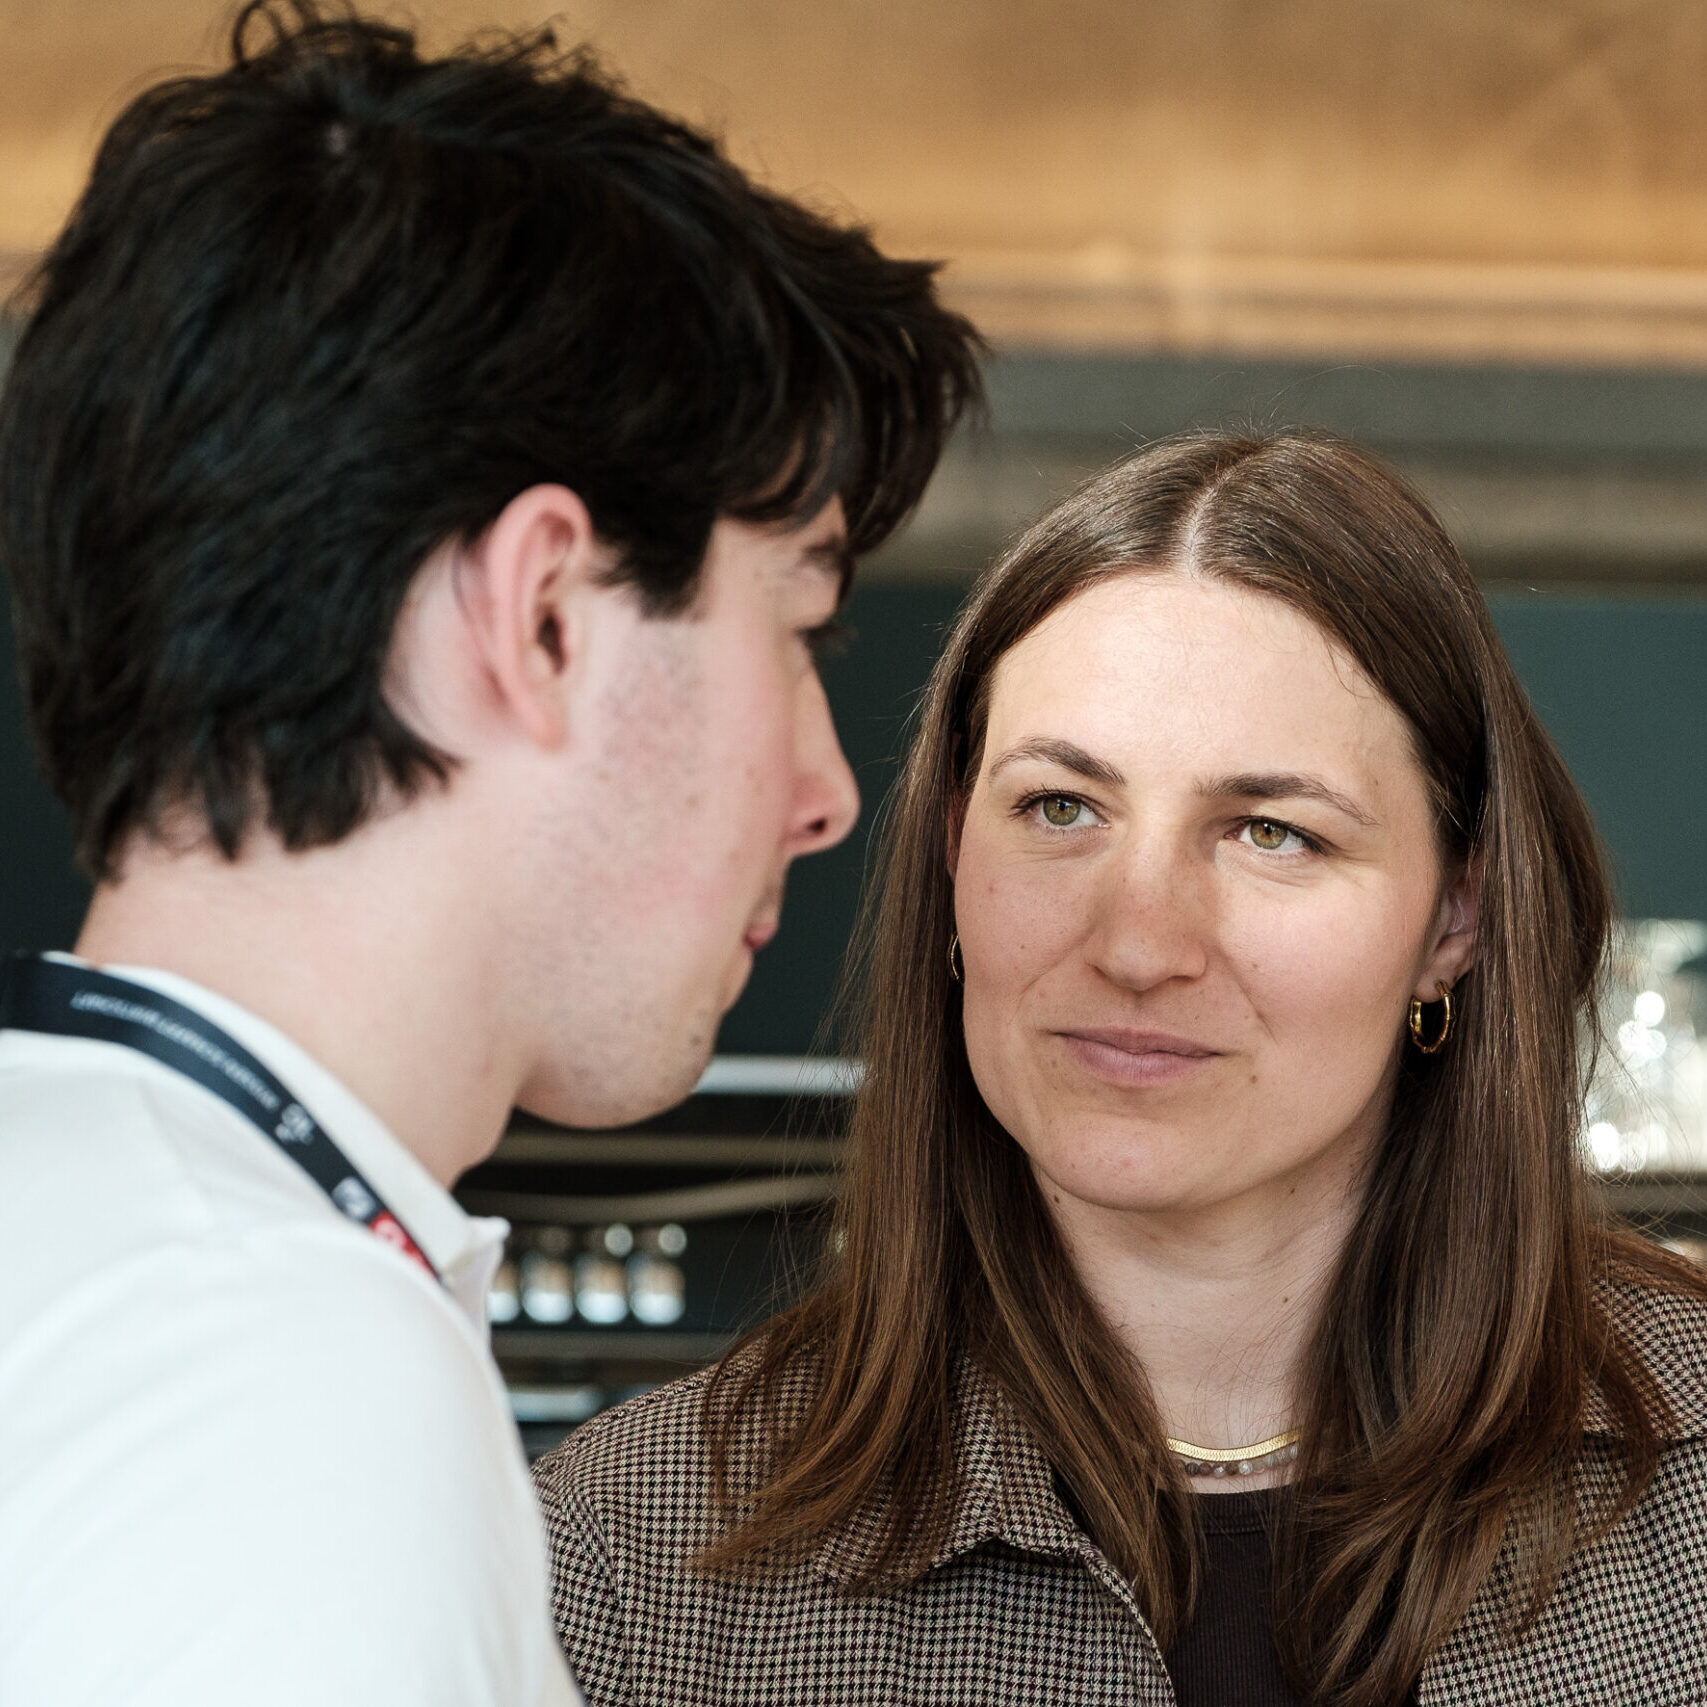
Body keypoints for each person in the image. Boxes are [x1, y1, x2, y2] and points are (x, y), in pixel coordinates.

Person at [0, 2, 981, 1702]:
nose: (826, 790)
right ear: (539, 616)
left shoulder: (122, 1250)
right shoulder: (275, 1373)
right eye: (802, 623)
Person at [532, 430, 1707, 1707]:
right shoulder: (628, 1564)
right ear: (949, 863)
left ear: (1454, 923)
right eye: (1060, 809)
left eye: (1272, 833)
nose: (1140, 943)